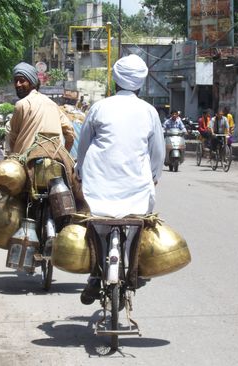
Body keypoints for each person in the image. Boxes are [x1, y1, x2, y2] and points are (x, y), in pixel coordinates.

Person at [76, 54, 165, 305]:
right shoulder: (149, 111)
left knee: (96, 228)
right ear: (140, 84)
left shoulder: (99, 107)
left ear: (114, 80)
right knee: (138, 225)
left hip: (98, 188)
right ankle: (133, 270)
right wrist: (154, 177)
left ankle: (95, 276)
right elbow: (158, 152)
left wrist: (81, 172)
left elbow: (83, 147)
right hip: (136, 189)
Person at [7, 62, 74, 154]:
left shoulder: (21, 104)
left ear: (32, 82)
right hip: (55, 161)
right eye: (16, 81)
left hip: (26, 163)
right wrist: (65, 155)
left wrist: (14, 158)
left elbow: (13, 138)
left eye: (22, 81)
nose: (17, 84)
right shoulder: (52, 104)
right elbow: (70, 133)